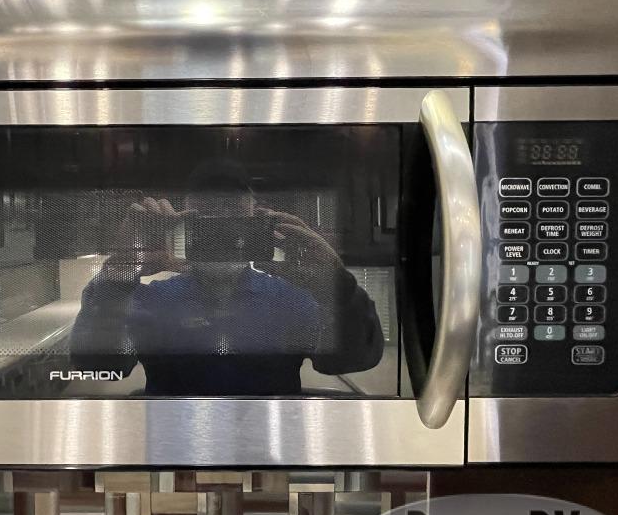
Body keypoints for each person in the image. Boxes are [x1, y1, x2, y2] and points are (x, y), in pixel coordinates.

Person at [69, 160, 384, 395]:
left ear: (257, 222)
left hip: (264, 449)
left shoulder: (291, 299)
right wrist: (120, 270)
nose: (221, 233)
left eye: (233, 217)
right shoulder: (153, 299)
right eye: (207, 220)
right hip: (175, 450)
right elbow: (99, 367)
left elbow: (351, 359)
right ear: (185, 224)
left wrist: (335, 285)